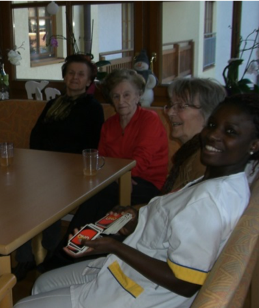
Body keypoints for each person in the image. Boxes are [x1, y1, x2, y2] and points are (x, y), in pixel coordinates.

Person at [14, 93, 259, 308]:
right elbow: (175, 229)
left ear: (254, 144)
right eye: (213, 125)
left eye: (230, 132)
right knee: (43, 284)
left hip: (140, 303)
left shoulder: (208, 202)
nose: (213, 136)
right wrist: (135, 222)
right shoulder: (227, 181)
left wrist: (114, 246)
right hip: (131, 274)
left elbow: (185, 283)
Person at [41, 68, 169, 270]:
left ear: (138, 96)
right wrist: (115, 177)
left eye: (127, 95)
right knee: (96, 194)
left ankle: (68, 253)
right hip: (117, 182)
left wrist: (117, 177)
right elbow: (102, 159)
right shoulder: (109, 125)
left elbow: (141, 162)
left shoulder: (150, 120)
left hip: (147, 183)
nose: (121, 101)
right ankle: (75, 252)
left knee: (99, 195)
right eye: (116, 96)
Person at [13, 54, 105, 280]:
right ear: (64, 76)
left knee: (47, 198)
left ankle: (52, 255)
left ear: (88, 81)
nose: (75, 77)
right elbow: (36, 136)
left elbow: (91, 146)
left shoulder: (93, 108)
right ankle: (24, 257)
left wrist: (59, 166)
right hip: (43, 166)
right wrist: (39, 162)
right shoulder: (53, 104)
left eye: (80, 74)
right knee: (17, 197)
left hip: (71, 172)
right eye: (71, 72)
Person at [161, 77, 227, 193]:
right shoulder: (191, 153)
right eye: (170, 105)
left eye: (181, 106)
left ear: (209, 114)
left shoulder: (202, 161)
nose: (170, 113)